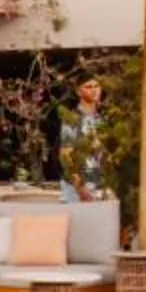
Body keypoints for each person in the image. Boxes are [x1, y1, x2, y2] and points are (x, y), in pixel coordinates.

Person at [59, 75, 107, 203]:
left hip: (98, 185)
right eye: (88, 87)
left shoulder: (102, 120)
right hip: (75, 189)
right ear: (79, 92)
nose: (94, 90)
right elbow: (66, 156)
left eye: (97, 86)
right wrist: (80, 188)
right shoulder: (72, 119)